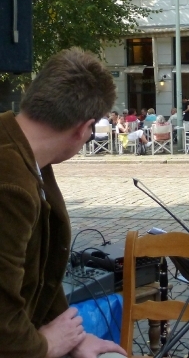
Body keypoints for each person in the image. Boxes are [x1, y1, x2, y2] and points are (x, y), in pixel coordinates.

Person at [0, 48, 127, 358]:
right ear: (84, 129)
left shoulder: (24, 154)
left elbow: (39, 270)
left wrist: (73, 337)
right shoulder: (10, 184)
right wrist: (46, 346)